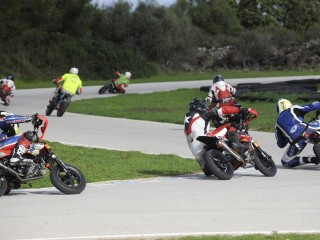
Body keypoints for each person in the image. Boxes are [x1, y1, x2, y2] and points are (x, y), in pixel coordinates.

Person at [275, 98, 320, 168]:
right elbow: (312, 106)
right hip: (309, 129)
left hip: (297, 142)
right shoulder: (294, 108)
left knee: (286, 162)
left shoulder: (277, 124)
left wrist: (287, 135)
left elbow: (281, 144)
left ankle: (312, 159)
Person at [184, 98, 219, 172]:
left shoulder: (188, 118)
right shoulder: (199, 114)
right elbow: (216, 113)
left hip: (196, 152)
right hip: (203, 142)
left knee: (207, 172)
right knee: (224, 131)